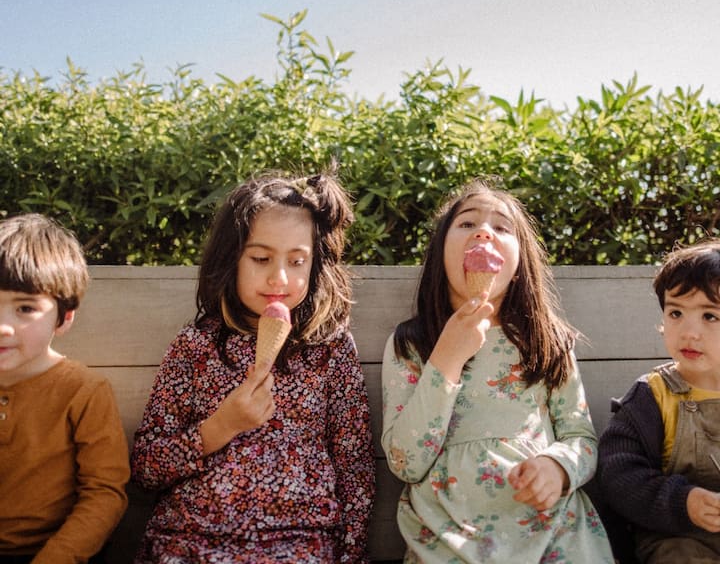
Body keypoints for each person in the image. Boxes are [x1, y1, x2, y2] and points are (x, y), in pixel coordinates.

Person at [131, 170, 375, 563]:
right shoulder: (196, 346)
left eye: (297, 261)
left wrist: (350, 553)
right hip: (194, 539)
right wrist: (219, 427)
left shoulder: (329, 349)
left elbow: (354, 465)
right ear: (231, 259)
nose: (279, 277)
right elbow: (145, 468)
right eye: (261, 258)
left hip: (300, 541)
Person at [381, 180, 613, 563]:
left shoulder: (546, 341)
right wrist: (446, 359)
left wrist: (558, 468)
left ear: (520, 263)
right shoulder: (413, 342)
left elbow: (581, 438)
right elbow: (406, 462)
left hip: (551, 531)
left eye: (502, 228)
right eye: (467, 223)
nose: (484, 232)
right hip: (447, 537)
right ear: (440, 252)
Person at [0, 213, 129, 564]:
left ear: (64, 317)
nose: (3, 327)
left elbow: (104, 493)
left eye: (25, 308)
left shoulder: (83, 391)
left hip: (59, 552)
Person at [597, 239, 720, 564]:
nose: (689, 332)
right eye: (676, 312)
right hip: (678, 539)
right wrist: (683, 502)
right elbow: (617, 475)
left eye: (710, 316)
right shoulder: (652, 395)